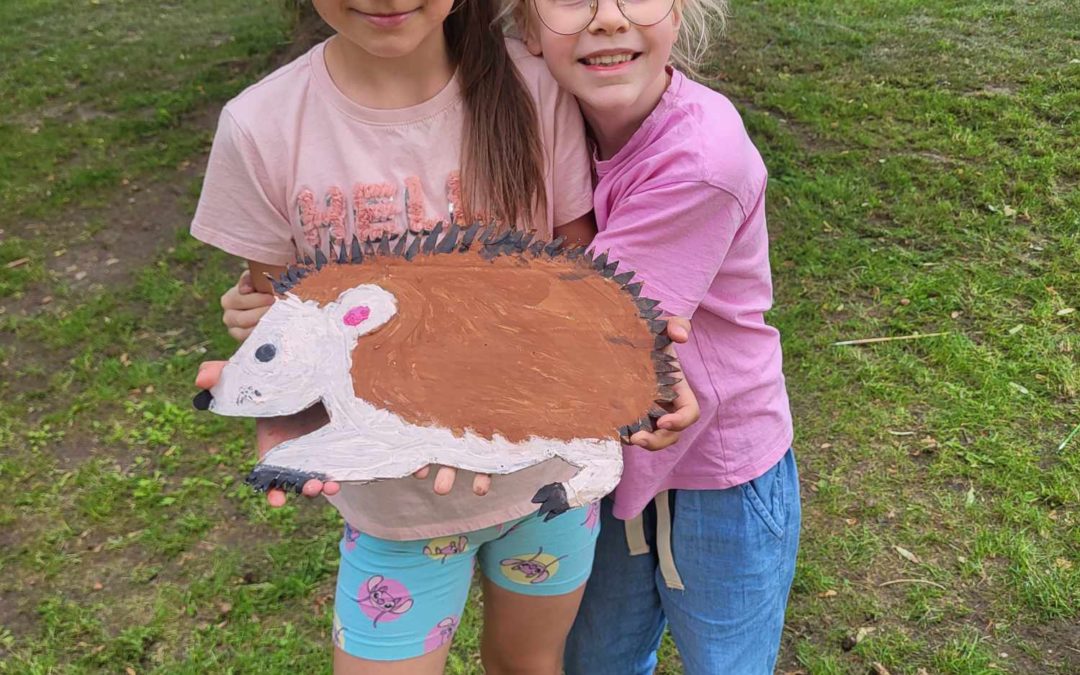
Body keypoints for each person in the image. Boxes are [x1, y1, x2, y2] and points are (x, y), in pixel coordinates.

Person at [190, 1, 698, 672]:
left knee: (529, 662)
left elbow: (577, 278)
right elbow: (287, 317)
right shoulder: (260, 126)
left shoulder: (537, 88)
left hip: (548, 490)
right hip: (395, 513)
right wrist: (285, 412)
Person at [505, 0, 801, 672]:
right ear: (526, 28)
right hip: (602, 462)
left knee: (726, 663)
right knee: (594, 659)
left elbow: (583, 330)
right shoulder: (541, 117)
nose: (608, 19)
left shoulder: (702, 159)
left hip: (717, 473)